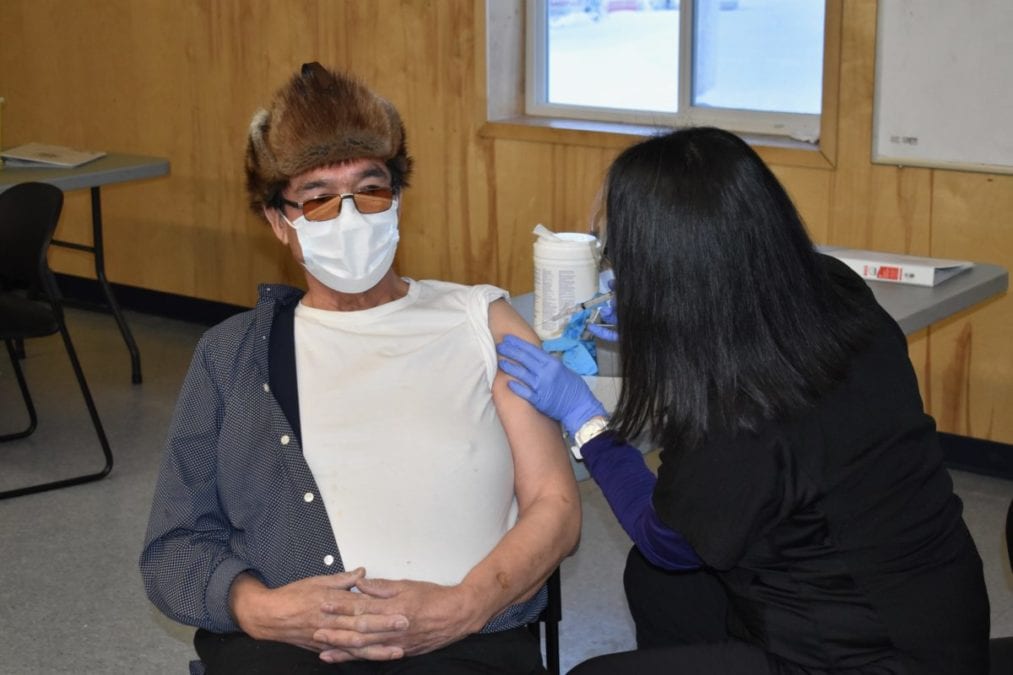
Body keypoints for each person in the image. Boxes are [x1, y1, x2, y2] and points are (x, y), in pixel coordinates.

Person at [496, 127, 990, 674]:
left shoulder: (745, 415)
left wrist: (587, 422)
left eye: (618, 256)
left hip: (868, 657)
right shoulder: (832, 287)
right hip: (937, 605)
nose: (615, 273)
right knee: (660, 585)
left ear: (667, 271)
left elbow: (669, 539)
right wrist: (660, 333)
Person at [139, 62, 580, 675]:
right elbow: (173, 550)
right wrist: (264, 611)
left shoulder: (484, 320)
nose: (350, 217)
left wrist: (464, 605)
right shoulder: (231, 356)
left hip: (466, 644)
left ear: (396, 199)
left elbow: (554, 504)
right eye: (318, 200)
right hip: (286, 654)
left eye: (369, 191)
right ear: (278, 222)